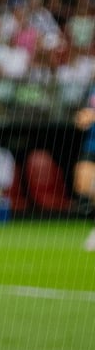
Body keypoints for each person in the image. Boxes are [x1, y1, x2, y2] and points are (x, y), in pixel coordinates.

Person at [73, 99, 95, 249]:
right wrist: (81, 118)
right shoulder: (91, 91)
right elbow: (81, 117)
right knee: (83, 186)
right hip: (91, 147)